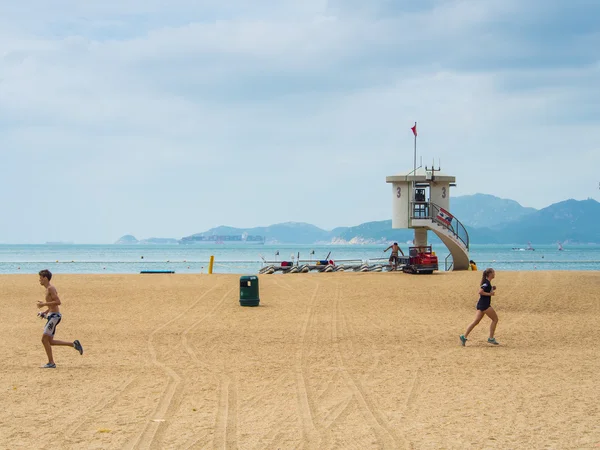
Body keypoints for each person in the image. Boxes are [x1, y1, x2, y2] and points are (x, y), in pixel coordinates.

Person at [37, 269, 83, 368]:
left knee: (44, 339)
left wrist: (43, 304)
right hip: (52, 316)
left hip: (54, 317)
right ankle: (74, 344)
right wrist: (44, 312)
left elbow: (58, 302)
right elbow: (52, 305)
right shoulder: (47, 289)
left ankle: (51, 363)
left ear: (45, 278)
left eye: (40, 278)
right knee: (50, 341)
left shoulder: (51, 288)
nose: (39, 280)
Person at [460, 268, 499, 346]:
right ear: (490, 274)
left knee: (476, 321)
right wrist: (490, 294)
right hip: (485, 305)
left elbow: (485, 289)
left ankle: (464, 336)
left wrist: (491, 289)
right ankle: (491, 338)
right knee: (495, 319)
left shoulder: (487, 283)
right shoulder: (486, 283)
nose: (495, 273)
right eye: (493, 272)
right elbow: (480, 291)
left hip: (481, 304)